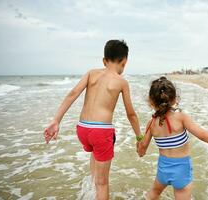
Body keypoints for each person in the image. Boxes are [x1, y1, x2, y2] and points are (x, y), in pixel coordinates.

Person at [44, 40, 142, 200]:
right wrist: (139, 137)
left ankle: (91, 192)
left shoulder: (91, 73)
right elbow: (131, 114)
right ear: (124, 62)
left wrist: (56, 121)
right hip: (101, 132)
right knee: (103, 183)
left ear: (104, 60)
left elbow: (72, 94)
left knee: (96, 164)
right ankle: (98, 190)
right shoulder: (121, 82)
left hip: (82, 129)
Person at [137, 76, 208, 200]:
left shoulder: (151, 123)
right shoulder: (181, 117)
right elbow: (202, 135)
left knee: (154, 193)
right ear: (175, 99)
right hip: (181, 170)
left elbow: (142, 150)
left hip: (163, 170)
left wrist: (139, 141)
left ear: (151, 101)